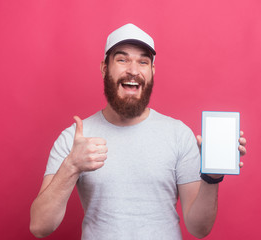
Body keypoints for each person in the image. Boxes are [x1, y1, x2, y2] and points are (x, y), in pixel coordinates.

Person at [30, 23, 247, 239]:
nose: (133, 71)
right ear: (105, 68)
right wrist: (71, 166)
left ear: (152, 71)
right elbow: (40, 226)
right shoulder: (75, 138)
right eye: (122, 60)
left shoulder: (179, 135)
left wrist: (211, 177)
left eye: (143, 61)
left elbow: (199, 229)